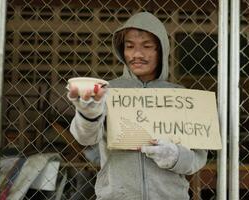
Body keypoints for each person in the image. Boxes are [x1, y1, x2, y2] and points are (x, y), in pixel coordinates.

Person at [67, 11, 207, 200]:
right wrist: (88, 114)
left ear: (161, 51)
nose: (137, 54)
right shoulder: (107, 91)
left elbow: (198, 158)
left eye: (147, 46)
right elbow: (86, 138)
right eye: (130, 46)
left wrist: (174, 156)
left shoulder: (179, 96)